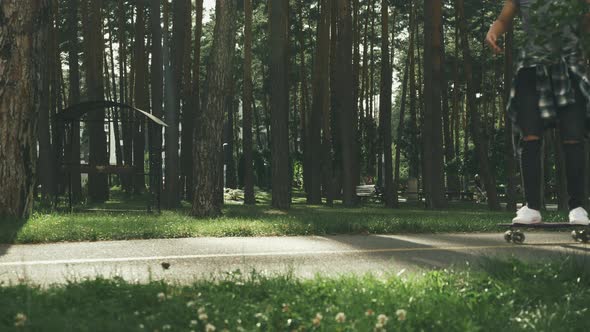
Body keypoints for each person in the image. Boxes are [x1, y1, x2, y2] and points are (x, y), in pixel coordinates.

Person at [486, 0, 590, 225]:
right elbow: (504, 18)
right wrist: (493, 31)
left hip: (569, 64)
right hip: (531, 67)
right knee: (530, 135)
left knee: (572, 137)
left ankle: (578, 207)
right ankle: (532, 207)